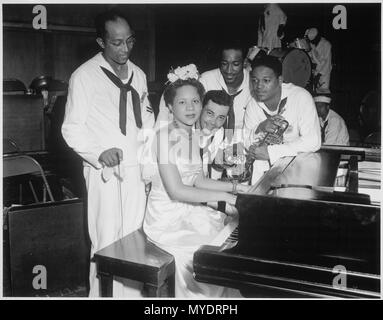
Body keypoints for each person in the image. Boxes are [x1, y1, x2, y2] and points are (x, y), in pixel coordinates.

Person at [61, 10, 155, 297]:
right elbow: (71, 128)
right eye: (116, 43)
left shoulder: (138, 74)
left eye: (129, 41)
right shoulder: (84, 76)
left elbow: (147, 121)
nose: (125, 49)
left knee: (137, 238)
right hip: (106, 173)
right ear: (101, 42)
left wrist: (150, 163)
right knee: (107, 241)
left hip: (137, 172)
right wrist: (99, 153)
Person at [142, 67, 249, 297]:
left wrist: (236, 188)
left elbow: (198, 179)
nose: (190, 108)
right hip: (167, 219)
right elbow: (178, 191)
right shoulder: (163, 137)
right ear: (170, 106)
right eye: (182, 102)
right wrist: (225, 198)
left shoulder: (192, 135)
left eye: (195, 101)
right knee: (204, 257)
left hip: (189, 210)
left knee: (225, 244)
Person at [244, 55, 321, 183]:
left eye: (266, 80)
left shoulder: (300, 97)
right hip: (262, 174)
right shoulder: (253, 104)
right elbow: (247, 143)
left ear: (280, 80)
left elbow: (313, 141)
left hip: (298, 172)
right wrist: (260, 128)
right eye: (255, 80)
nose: (258, 86)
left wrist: (271, 152)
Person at [156, 43, 253, 131]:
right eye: (224, 64)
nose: (229, 70)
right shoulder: (206, 80)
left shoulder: (254, 83)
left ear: (244, 63)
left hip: (243, 142)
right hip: (208, 138)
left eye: (235, 64)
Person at [304, 27, 332, 93]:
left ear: (317, 37)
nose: (312, 42)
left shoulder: (326, 44)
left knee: (323, 92)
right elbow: (311, 57)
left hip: (324, 72)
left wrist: (318, 75)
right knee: (314, 92)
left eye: (313, 40)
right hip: (315, 71)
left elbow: (325, 62)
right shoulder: (312, 44)